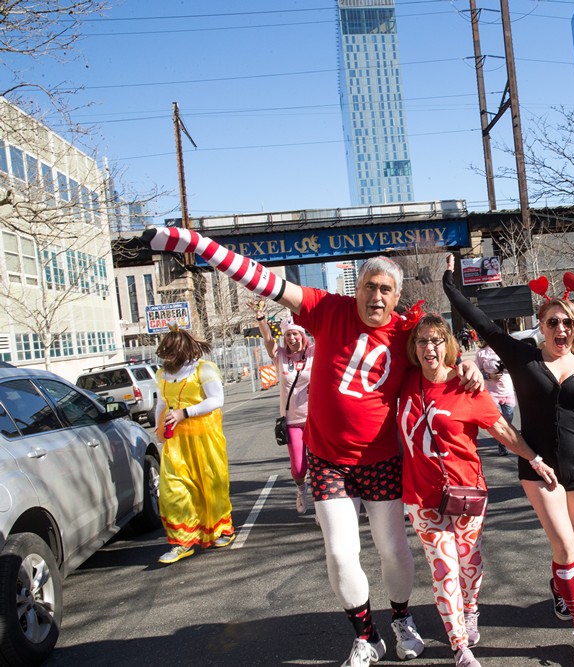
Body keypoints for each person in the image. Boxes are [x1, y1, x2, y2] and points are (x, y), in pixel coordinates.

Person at [141, 226, 484, 667]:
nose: (376, 297)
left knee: (393, 549)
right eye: (368, 287)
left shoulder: (407, 331)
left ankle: (401, 618)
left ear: (397, 297)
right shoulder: (327, 309)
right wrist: (190, 242)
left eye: (385, 290)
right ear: (355, 289)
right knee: (340, 551)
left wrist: (467, 366)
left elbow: (444, 357)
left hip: (381, 460)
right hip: (327, 459)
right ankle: (366, 636)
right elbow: (263, 279)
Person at [443, 255, 574, 667]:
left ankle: (560, 587)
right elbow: (481, 322)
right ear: (542, 324)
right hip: (539, 469)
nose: (560, 328)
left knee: (572, 545)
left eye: (567, 323)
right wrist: (450, 283)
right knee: (566, 547)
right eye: (552, 322)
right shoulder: (522, 356)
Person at [399, 314, 557, 667]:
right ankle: (460, 647)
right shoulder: (404, 381)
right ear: (414, 348)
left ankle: (470, 609)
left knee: (469, 564)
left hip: (466, 491)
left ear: (449, 345)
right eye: (422, 341)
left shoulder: (465, 385)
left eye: (437, 340)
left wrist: (535, 460)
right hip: (421, 496)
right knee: (444, 567)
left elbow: (501, 428)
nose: (429, 348)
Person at [154, 326, 235, 565]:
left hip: (204, 438)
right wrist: (158, 431)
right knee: (173, 490)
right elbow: (161, 404)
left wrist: (185, 413)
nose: (167, 357)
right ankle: (182, 541)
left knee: (210, 486)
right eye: (164, 352)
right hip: (176, 442)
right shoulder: (161, 375)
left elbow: (216, 400)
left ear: (181, 350)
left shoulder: (203, 369)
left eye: (171, 352)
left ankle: (223, 529)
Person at [252, 300, 314, 514]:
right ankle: (300, 489)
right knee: (298, 468)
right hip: (292, 421)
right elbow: (268, 340)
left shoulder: (314, 353)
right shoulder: (280, 357)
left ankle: (322, 507)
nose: (292, 338)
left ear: (302, 336)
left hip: (316, 420)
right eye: (288, 335)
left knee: (320, 468)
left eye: (295, 334)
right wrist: (261, 319)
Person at [475, 339, 516, 456]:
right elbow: (477, 371)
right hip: (492, 392)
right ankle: (502, 445)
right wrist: (489, 375)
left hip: (507, 390)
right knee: (498, 421)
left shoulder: (505, 350)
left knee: (508, 418)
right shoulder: (481, 353)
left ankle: (503, 441)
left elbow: (515, 366)